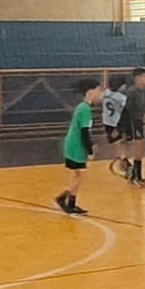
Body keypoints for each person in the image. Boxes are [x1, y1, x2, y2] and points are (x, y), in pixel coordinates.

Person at [56, 78, 104, 215]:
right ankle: (67, 201)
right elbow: (84, 132)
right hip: (76, 146)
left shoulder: (82, 107)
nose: (100, 95)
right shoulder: (85, 109)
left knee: (78, 174)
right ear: (90, 92)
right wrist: (90, 150)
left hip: (73, 144)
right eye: (99, 91)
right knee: (78, 174)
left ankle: (67, 200)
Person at [119, 67, 145, 188]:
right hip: (132, 123)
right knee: (138, 149)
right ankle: (136, 177)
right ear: (138, 78)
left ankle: (135, 175)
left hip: (138, 122)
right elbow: (126, 110)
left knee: (140, 149)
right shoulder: (132, 92)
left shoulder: (142, 92)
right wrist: (126, 129)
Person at [102, 73, 130, 176]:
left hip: (107, 122)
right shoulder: (121, 97)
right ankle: (126, 163)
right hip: (117, 122)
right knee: (118, 144)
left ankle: (125, 162)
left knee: (117, 143)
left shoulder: (106, 93)